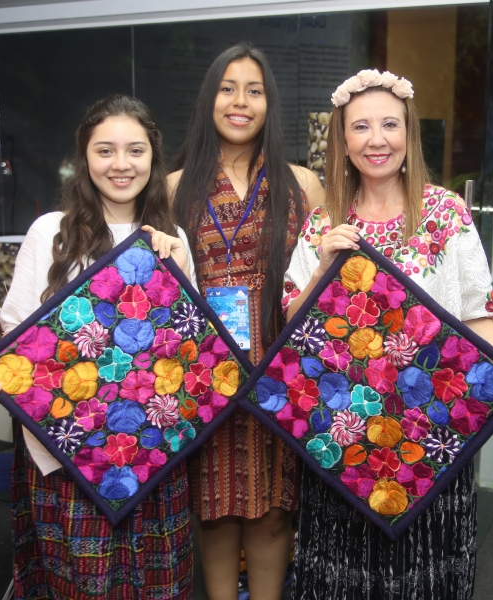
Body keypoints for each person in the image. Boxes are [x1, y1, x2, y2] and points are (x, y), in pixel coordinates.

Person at [281, 68, 493, 600]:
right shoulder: (323, 223)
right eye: (360, 127)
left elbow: (476, 313)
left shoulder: (445, 212)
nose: (376, 139)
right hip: (345, 435)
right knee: (343, 577)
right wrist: (322, 268)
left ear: (409, 133)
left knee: (425, 573)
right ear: (343, 140)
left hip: (431, 430)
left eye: (389, 124)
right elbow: (292, 333)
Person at [0, 95, 198, 599]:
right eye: (105, 150)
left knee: (156, 583)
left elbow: (189, 352)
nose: (120, 164)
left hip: (149, 450)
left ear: (153, 158)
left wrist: (175, 271)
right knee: (77, 583)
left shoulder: (170, 238)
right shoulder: (50, 231)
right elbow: (16, 333)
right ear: (84, 157)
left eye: (135, 150)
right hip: (65, 449)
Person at [169, 43, 324, 600]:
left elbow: (324, 279)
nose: (240, 102)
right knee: (212, 511)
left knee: (275, 512)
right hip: (204, 376)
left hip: (279, 375)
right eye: (227, 89)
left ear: (269, 103)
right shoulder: (173, 187)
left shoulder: (302, 184)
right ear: (208, 99)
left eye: (254, 91)